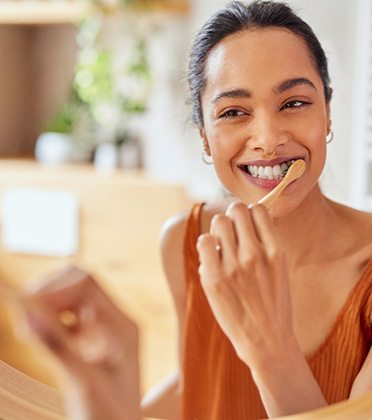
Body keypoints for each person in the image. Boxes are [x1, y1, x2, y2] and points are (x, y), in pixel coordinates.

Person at [17, 1, 372, 419]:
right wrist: (110, 400)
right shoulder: (187, 241)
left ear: (327, 112)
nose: (268, 138)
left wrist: (269, 347)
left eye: (294, 103)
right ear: (205, 138)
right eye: (233, 112)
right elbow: (196, 380)